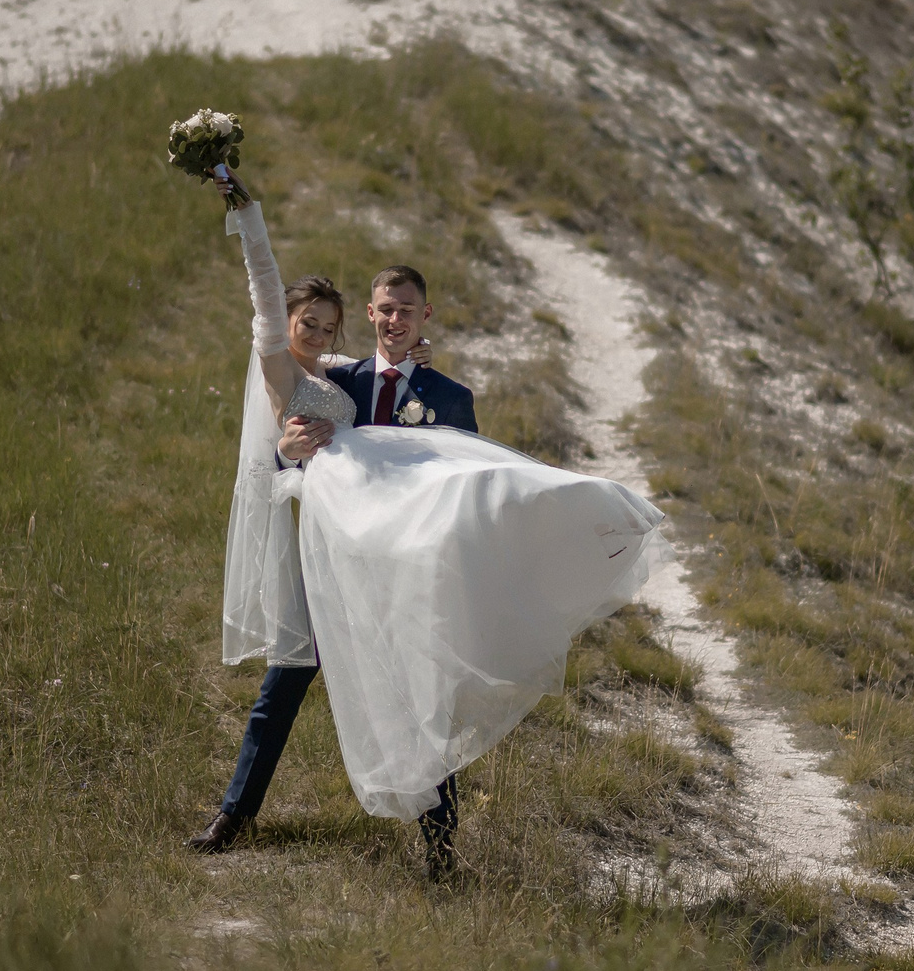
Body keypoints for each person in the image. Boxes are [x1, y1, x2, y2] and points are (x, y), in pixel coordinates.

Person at [185, 166, 667, 879]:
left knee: (420, 703)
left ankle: (440, 849)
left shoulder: (449, 395)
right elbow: (294, 431)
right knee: (281, 686)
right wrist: (287, 456)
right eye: (382, 308)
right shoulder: (338, 381)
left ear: (424, 316)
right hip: (335, 570)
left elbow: (471, 485)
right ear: (372, 316)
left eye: (405, 309)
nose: (393, 318)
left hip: (409, 578)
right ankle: (233, 813)